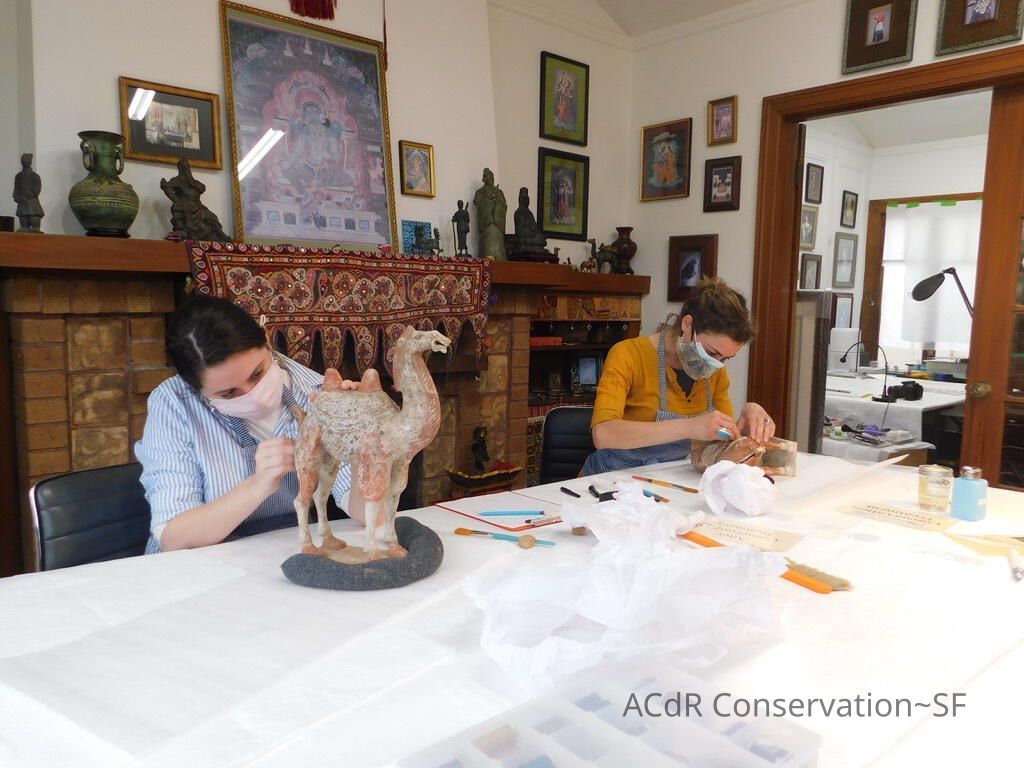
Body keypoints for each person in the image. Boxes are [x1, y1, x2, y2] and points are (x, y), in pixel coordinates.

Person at [135, 295, 365, 554]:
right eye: (229, 393)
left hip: (286, 552)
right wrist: (259, 484)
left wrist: (359, 446)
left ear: (266, 340)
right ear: (195, 388)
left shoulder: (316, 392)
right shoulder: (174, 403)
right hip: (200, 563)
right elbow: (174, 538)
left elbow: (366, 513)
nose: (252, 394)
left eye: (257, 373)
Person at [583, 277, 775, 475]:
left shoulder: (715, 370)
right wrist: (690, 427)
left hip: (671, 479)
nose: (716, 364)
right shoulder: (628, 355)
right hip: (613, 478)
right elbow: (603, 434)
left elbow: (721, 443)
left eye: (725, 358)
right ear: (687, 324)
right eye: (711, 352)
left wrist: (744, 425)